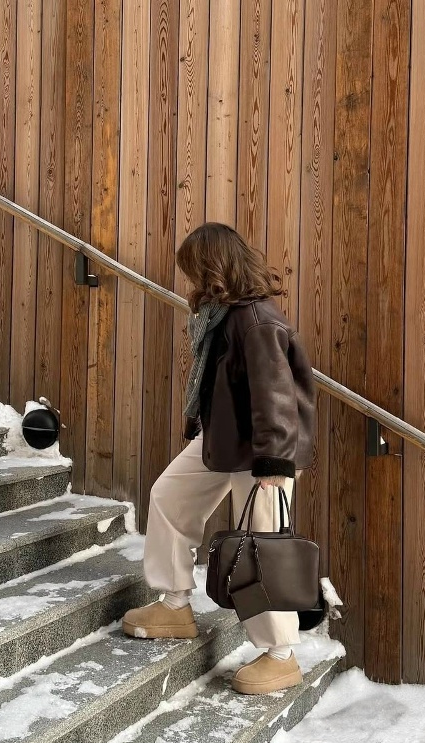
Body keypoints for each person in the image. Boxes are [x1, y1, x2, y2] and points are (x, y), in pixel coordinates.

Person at [122, 222, 317, 695]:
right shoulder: (223, 315)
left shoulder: (257, 321)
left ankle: (280, 655)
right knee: (169, 496)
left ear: (213, 267)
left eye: (192, 269)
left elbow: (275, 396)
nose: (189, 279)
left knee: (262, 544)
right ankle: (174, 605)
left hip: (263, 451)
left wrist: (274, 462)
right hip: (226, 439)